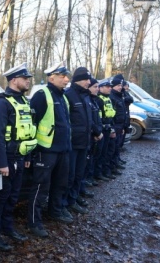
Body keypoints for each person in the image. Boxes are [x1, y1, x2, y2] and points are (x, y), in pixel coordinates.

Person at [0, 63, 37, 251]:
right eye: (25, 79)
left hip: (20, 157)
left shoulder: (24, 102)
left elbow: (28, 131)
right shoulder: (1, 104)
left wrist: (28, 155)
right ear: (14, 80)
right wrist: (2, 163)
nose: (28, 82)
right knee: (0, 197)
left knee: (13, 196)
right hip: (6, 159)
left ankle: (7, 227)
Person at [27, 62, 72, 237]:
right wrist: (32, 151)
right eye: (63, 76)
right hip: (45, 151)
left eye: (66, 76)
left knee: (60, 184)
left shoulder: (63, 96)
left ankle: (55, 211)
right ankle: (34, 222)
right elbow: (32, 124)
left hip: (62, 150)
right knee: (40, 188)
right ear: (51, 77)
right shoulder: (42, 95)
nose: (67, 79)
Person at [63, 67, 101, 215]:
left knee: (79, 173)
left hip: (85, 142)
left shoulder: (85, 96)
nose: (89, 82)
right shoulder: (68, 95)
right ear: (79, 80)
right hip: (73, 143)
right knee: (70, 175)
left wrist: (95, 132)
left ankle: (73, 198)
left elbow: (88, 119)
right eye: (87, 79)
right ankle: (64, 203)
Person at [93, 80, 116, 181]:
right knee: (98, 153)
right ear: (101, 88)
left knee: (105, 152)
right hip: (101, 130)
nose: (110, 88)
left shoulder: (108, 98)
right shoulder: (98, 99)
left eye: (110, 86)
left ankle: (101, 172)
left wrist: (111, 128)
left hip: (107, 128)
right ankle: (97, 174)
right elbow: (98, 118)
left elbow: (111, 115)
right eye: (107, 86)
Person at [109, 75, 127, 177]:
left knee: (116, 148)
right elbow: (112, 115)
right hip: (115, 126)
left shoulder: (119, 96)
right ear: (113, 86)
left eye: (121, 85)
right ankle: (111, 168)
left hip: (120, 126)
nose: (120, 87)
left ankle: (115, 165)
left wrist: (123, 127)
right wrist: (113, 128)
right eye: (118, 85)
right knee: (112, 149)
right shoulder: (112, 97)